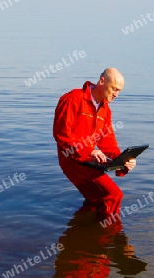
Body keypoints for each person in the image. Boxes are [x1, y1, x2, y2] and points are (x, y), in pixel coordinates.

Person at [53, 68, 136, 218]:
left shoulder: (105, 109)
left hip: (88, 160)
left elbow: (107, 141)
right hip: (72, 160)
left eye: (119, 91)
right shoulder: (73, 98)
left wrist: (122, 160)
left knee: (97, 200)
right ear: (102, 81)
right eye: (114, 89)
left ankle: (86, 231)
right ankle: (111, 234)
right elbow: (61, 135)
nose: (116, 95)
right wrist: (89, 151)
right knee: (114, 195)